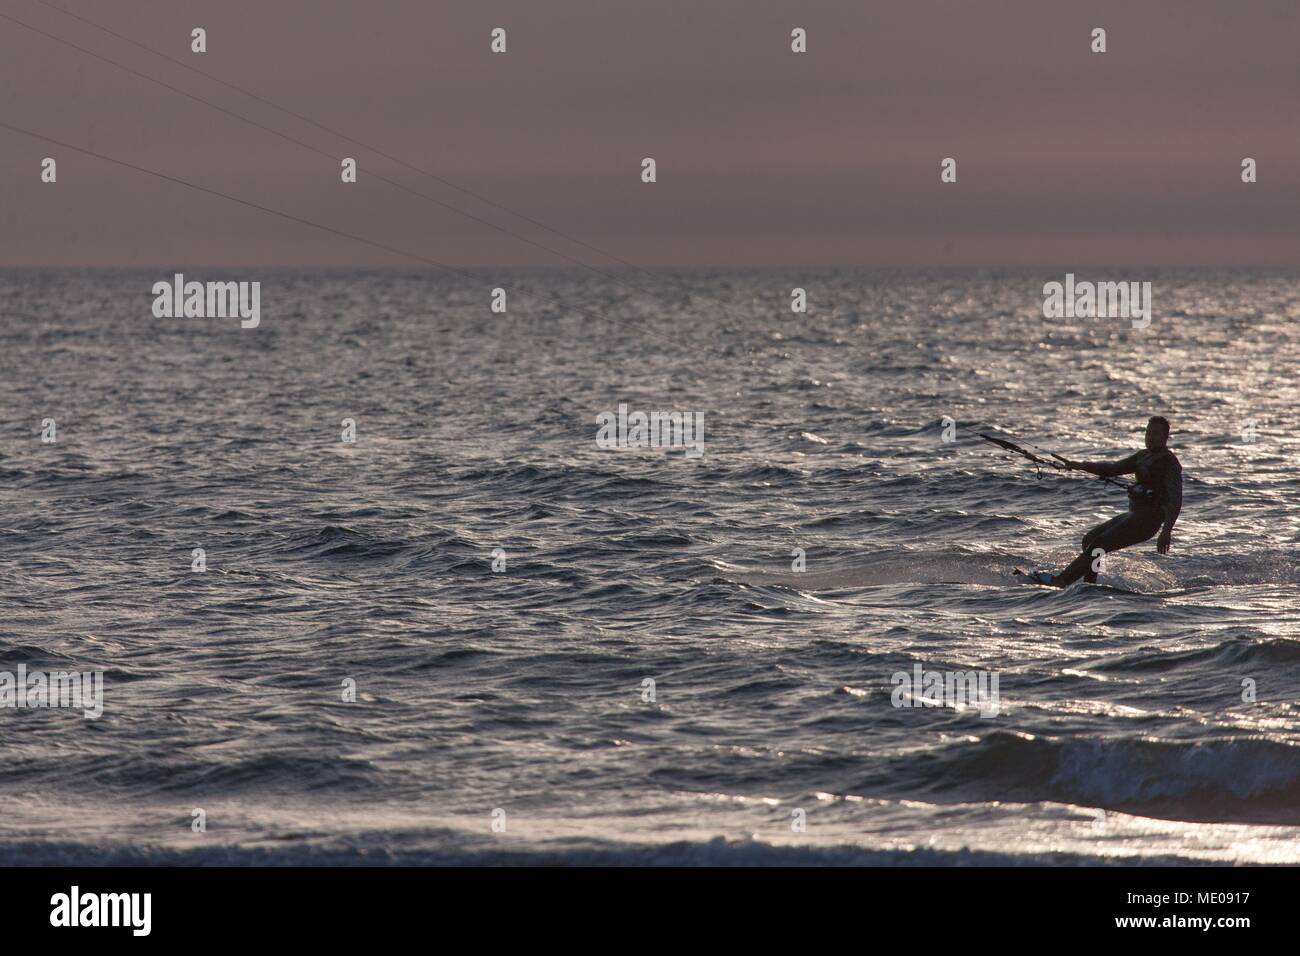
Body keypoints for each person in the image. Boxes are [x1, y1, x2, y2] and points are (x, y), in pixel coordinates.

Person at [1030, 417, 1182, 587]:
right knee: (1090, 540)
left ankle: (1061, 581)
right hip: (1134, 515)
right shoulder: (1142, 456)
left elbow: (1175, 501)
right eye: (1147, 433)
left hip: (1148, 521)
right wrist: (1081, 465)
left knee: (1099, 544)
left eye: (1155, 434)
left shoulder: (1170, 463)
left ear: (1165, 437)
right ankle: (1090, 583)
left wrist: (1166, 530)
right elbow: (1112, 469)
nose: (1150, 437)